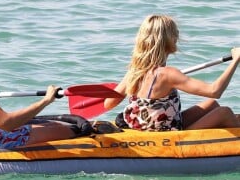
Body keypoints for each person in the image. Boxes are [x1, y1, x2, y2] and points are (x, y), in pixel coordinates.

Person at [103, 15, 240, 131]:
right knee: (225, 112)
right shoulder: (168, 74)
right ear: (168, 40)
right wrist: (235, 60)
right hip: (167, 135)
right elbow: (215, 91)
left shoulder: (135, 71)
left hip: (146, 126)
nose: (177, 36)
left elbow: (108, 103)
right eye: (175, 33)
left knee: (212, 104)